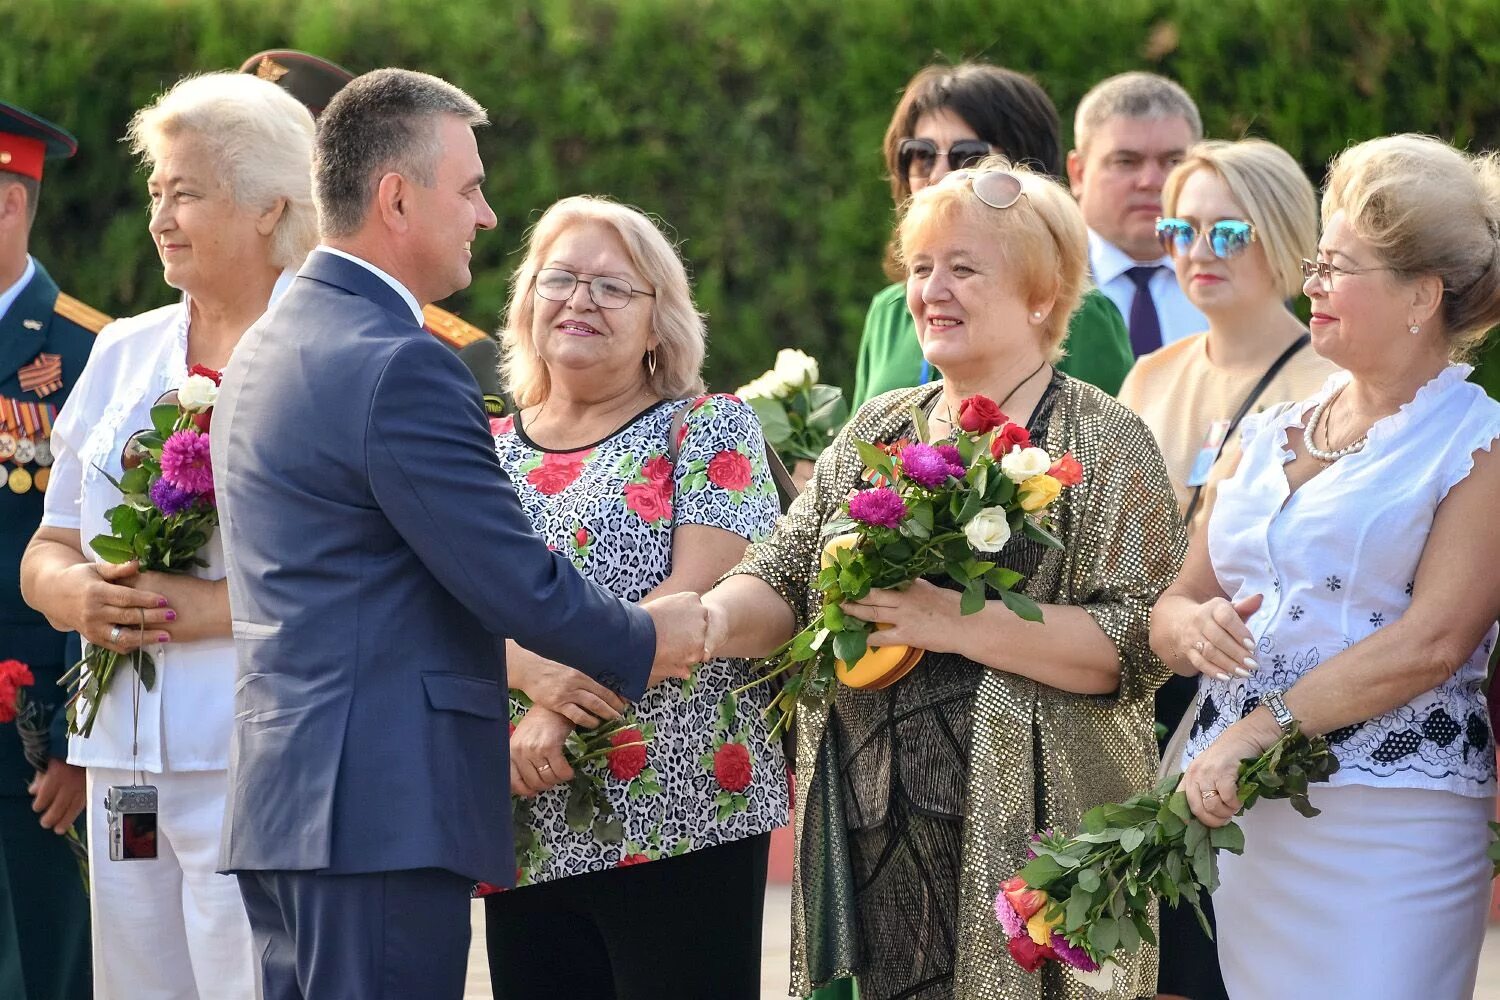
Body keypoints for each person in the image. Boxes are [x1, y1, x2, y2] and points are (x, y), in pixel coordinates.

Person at [210, 69, 710, 1000]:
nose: (486, 215)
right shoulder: (399, 362)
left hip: (291, 800)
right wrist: (653, 636)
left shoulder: (271, 345)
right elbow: (508, 577)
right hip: (379, 809)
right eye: (470, 188)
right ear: (397, 197)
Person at [705, 159, 1186, 999]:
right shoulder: (883, 426)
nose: (932, 290)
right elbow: (778, 576)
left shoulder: (1106, 440)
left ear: (1043, 295)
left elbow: (1137, 645)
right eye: (921, 268)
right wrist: (692, 627)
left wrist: (948, 620)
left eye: (964, 268)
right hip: (867, 829)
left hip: (1030, 847)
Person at [1155, 134, 1500, 998]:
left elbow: (1435, 642)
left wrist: (1257, 732)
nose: (1311, 284)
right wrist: (1190, 627)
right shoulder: (1271, 431)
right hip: (1244, 816)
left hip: (1390, 825)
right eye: (1315, 262)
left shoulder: (1476, 442)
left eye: (1337, 267)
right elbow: (1176, 601)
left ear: (1422, 294)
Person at [17, 72, 318, 998]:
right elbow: (47, 545)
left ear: (270, 205)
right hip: (123, 757)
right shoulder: (122, 349)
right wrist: (71, 593)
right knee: (137, 984)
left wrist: (209, 611)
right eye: (156, 192)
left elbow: (363, 571)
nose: (159, 216)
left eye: (184, 191)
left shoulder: (326, 353)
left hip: (260, 754)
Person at [482, 194, 789, 998]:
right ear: (526, 302)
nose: (580, 299)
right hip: (527, 813)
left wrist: (558, 703)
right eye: (561, 279)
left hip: (680, 804)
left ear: (660, 322)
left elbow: (697, 596)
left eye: (613, 287)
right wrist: (525, 679)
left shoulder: (707, 428)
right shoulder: (481, 448)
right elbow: (447, 606)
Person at [1117, 138, 1335, 1000]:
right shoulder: (1149, 375)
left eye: (1225, 231)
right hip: (1153, 689)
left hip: (1268, 699)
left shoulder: (1334, 379)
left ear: (1281, 236)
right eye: (1179, 228)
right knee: (1161, 964)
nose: (1195, 251)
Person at [852, 62, 1133, 408]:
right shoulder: (890, 311)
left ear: (1024, 171)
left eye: (967, 156)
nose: (939, 175)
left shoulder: (1083, 313)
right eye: (922, 156)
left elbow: (1105, 445)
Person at [0, 100, 103, 1000]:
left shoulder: (88, 349)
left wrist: (76, 739)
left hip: (25, 728)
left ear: (9, 203)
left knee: (41, 959)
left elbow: (99, 553)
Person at [1067, 72, 1207, 356]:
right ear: (1078, 173)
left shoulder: (1242, 284)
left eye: (1173, 161)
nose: (1151, 181)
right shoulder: (1040, 283)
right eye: (1126, 161)